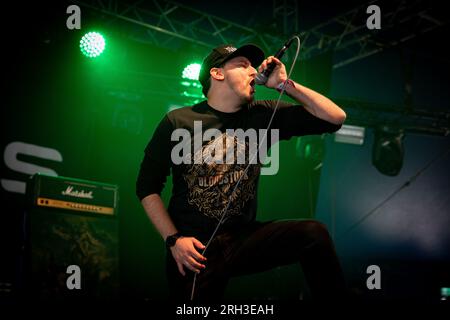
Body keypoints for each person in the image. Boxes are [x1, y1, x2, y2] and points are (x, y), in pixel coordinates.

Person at [136, 43, 347, 301]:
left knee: (313, 234)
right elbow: (147, 187)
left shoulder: (263, 114)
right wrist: (174, 240)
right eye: (243, 65)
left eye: (252, 66)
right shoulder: (178, 121)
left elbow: (335, 117)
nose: (253, 72)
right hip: (193, 249)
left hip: (241, 240)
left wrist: (284, 84)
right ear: (217, 73)